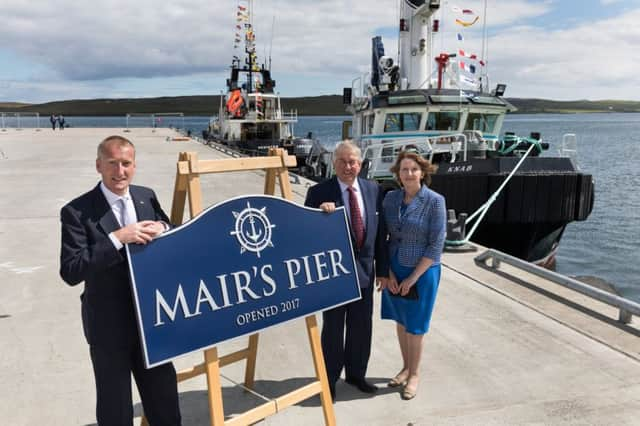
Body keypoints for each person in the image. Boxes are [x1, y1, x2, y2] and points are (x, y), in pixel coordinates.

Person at [59, 135, 181, 425]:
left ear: (134, 166)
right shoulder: (77, 211)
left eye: (126, 164)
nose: (120, 171)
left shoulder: (145, 195)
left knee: (164, 400)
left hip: (151, 322)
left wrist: (162, 227)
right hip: (108, 325)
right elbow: (71, 270)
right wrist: (116, 239)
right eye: (112, 163)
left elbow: (170, 226)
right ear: (98, 165)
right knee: (116, 408)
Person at [304, 140, 389, 400]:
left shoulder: (374, 189)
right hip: (334, 275)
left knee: (361, 327)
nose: (347, 166)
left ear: (360, 165)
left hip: (365, 272)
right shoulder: (319, 192)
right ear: (333, 163)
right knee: (333, 329)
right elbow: (306, 234)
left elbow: (380, 233)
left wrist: (383, 271)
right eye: (342, 161)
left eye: (352, 161)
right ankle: (328, 380)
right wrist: (319, 216)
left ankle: (356, 375)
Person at [378, 150, 446, 401]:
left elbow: (436, 244)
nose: (409, 174)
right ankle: (405, 367)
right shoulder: (391, 199)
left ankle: (415, 375)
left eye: (413, 169)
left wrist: (412, 278)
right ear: (398, 173)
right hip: (395, 268)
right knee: (401, 321)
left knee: (416, 327)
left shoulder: (435, 201)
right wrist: (388, 272)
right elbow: (384, 237)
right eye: (404, 169)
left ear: (423, 172)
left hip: (423, 271)